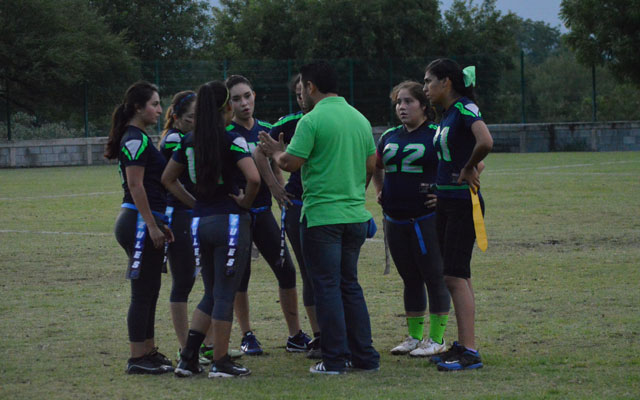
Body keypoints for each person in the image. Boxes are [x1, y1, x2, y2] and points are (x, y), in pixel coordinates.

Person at [259, 61, 380, 374]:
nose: (301, 92)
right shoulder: (360, 119)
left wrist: (275, 151)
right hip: (355, 215)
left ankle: (334, 359)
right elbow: (371, 165)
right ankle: (365, 357)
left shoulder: (311, 120)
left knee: (326, 287)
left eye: (302, 87)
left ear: (310, 87)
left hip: (322, 218)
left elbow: (290, 163)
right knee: (349, 285)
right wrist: (354, 195)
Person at [165, 80, 259, 378]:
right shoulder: (232, 138)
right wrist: (245, 203)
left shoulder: (188, 140)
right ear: (227, 106)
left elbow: (168, 179)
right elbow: (254, 178)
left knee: (211, 292)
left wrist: (195, 203)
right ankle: (220, 361)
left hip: (199, 222)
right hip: (229, 221)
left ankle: (188, 357)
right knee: (225, 294)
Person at [225, 75, 310, 355]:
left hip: (263, 214)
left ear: (254, 95)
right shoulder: (226, 133)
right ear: (229, 103)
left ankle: (295, 334)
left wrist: (279, 191)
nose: (244, 103)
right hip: (238, 216)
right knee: (240, 276)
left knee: (286, 270)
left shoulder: (266, 129)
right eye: (236, 98)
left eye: (247, 96)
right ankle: (247, 335)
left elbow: (277, 166)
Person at [422, 58, 493, 371]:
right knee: (457, 275)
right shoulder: (448, 114)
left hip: (463, 203)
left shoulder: (464, 108)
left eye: (428, 81)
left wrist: (469, 167)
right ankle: (464, 344)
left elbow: (485, 142)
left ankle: (470, 352)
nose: (425, 87)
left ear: (446, 82)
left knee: (454, 275)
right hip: (447, 201)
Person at [372, 81, 451, 357]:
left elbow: (474, 165)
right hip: (395, 219)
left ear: (424, 106)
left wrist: (444, 194)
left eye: (408, 102)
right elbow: (376, 166)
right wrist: (381, 190)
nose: (402, 107)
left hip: (426, 218)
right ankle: (414, 337)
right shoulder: (389, 136)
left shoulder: (437, 134)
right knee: (410, 278)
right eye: (398, 102)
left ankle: (437, 338)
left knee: (434, 276)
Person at [105, 81, 174, 374]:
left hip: (146, 221)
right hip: (136, 222)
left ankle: (149, 350)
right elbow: (135, 186)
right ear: (137, 107)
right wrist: (151, 225)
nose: (159, 110)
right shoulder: (134, 139)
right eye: (154, 104)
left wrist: (158, 223)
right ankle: (137, 358)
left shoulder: (141, 137)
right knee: (142, 292)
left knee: (151, 289)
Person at [253, 74, 321, 359]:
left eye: (304, 91)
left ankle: (341, 333)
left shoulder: (332, 118)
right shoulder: (289, 123)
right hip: (300, 205)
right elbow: (259, 152)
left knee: (334, 274)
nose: (301, 97)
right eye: (297, 93)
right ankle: (320, 335)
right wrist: (274, 187)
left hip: (330, 205)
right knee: (309, 273)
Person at [157, 90, 198, 357]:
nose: (195, 122)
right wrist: (196, 204)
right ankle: (186, 347)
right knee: (183, 281)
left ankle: (203, 344)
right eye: (191, 117)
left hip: (188, 214)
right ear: (177, 118)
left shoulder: (185, 137)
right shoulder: (174, 139)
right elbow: (172, 181)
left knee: (194, 278)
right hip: (178, 214)